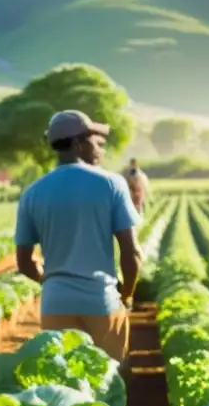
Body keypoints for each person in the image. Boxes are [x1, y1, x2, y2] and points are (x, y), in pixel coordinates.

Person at [14, 110, 143, 364]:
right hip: (100, 301)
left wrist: (52, 282)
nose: (100, 149)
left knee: (65, 380)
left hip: (55, 303)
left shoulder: (32, 193)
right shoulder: (111, 184)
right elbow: (132, 253)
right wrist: (126, 295)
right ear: (78, 143)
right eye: (95, 142)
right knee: (109, 383)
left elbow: (24, 262)